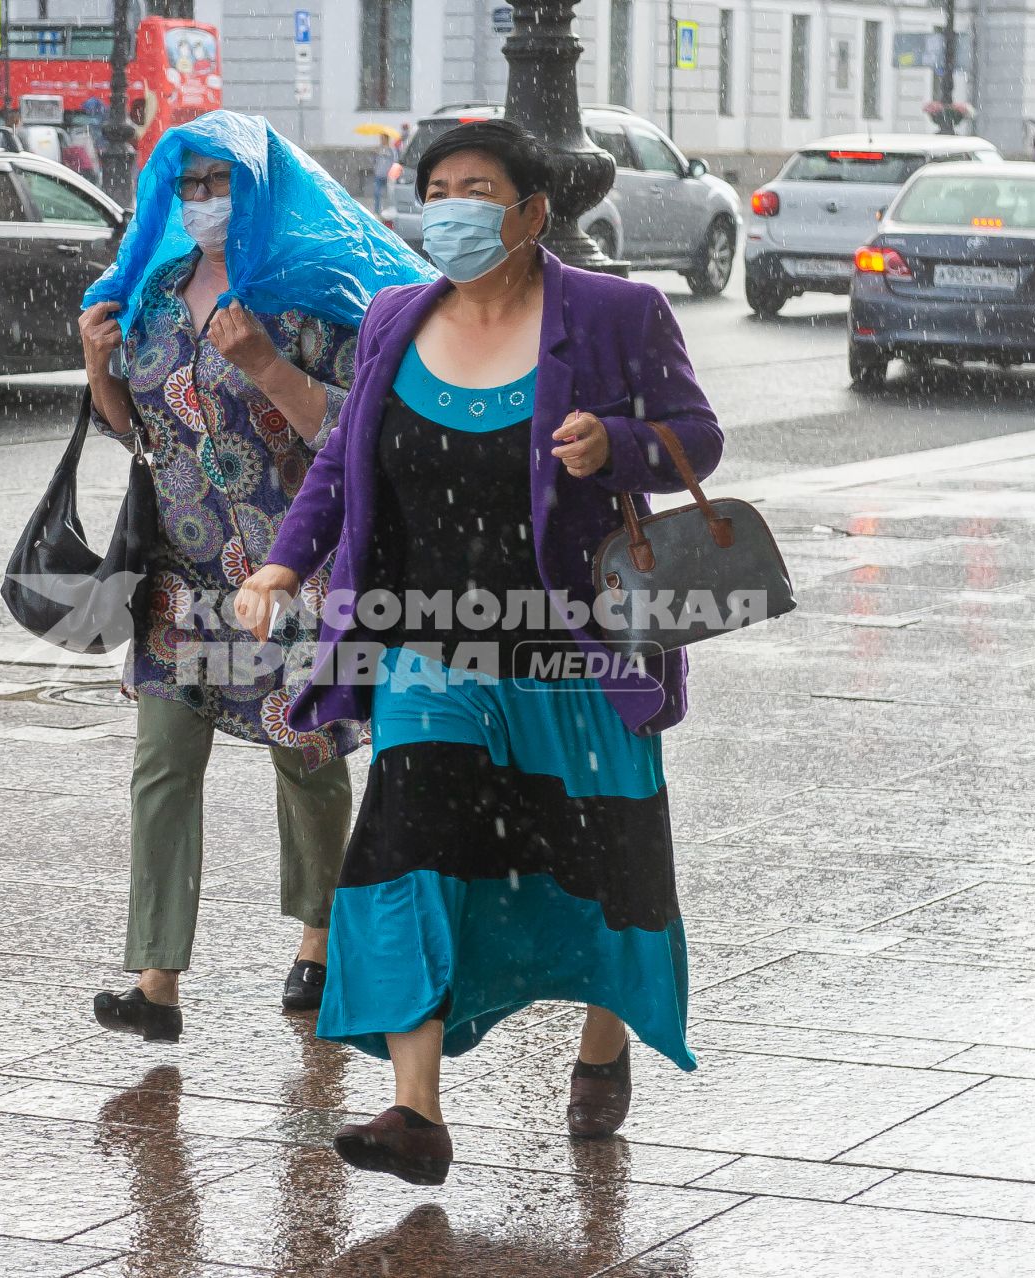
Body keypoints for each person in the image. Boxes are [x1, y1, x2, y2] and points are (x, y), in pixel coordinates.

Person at [235, 119, 722, 1184]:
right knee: (405, 844)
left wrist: (620, 445)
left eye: (477, 188)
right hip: (430, 653)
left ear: (533, 211)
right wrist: (283, 563)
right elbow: (342, 467)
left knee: (604, 861)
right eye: (438, 187)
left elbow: (699, 435)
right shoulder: (395, 319)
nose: (452, 206)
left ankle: (602, 1039)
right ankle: (415, 1110)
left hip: (577, 652)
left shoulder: (614, 315)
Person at [76, 112, 434, 1043]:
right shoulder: (154, 294)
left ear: (260, 187)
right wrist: (97, 369)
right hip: (181, 573)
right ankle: (156, 981)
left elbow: (361, 431)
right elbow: (138, 434)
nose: (200, 202)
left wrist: (269, 367)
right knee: (162, 760)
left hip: (290, 568)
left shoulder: (308, 292)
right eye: (186, 185)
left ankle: (319, 940)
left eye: (219, 183)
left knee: (304, 753)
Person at [372, 135, 397, 214]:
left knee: (390, 194)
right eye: (381, 138)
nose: (382, 140)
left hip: (388, 175)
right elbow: (374, 161)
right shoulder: (379, 149)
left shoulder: (391, 149)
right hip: (379, 174)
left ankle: (388, 210)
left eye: (383, 138)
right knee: (376, 193)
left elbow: (395, 160)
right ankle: (377, 211)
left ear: (387, 139)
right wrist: (375, 153)